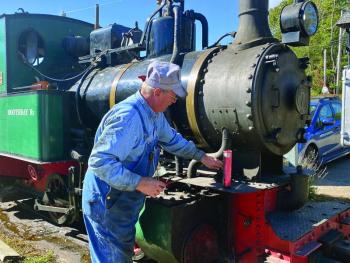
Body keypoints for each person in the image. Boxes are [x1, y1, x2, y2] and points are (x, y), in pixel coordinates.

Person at [82, 61, 223, 263]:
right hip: (107, 203)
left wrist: (201, 156)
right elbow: (99, 162)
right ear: (157, 92)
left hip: (121, 202)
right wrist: (141, 183)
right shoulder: (129, 118)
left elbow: (172, 140)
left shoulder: (154, 115)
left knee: (121, 253)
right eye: (173, 95)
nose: (174, 100)